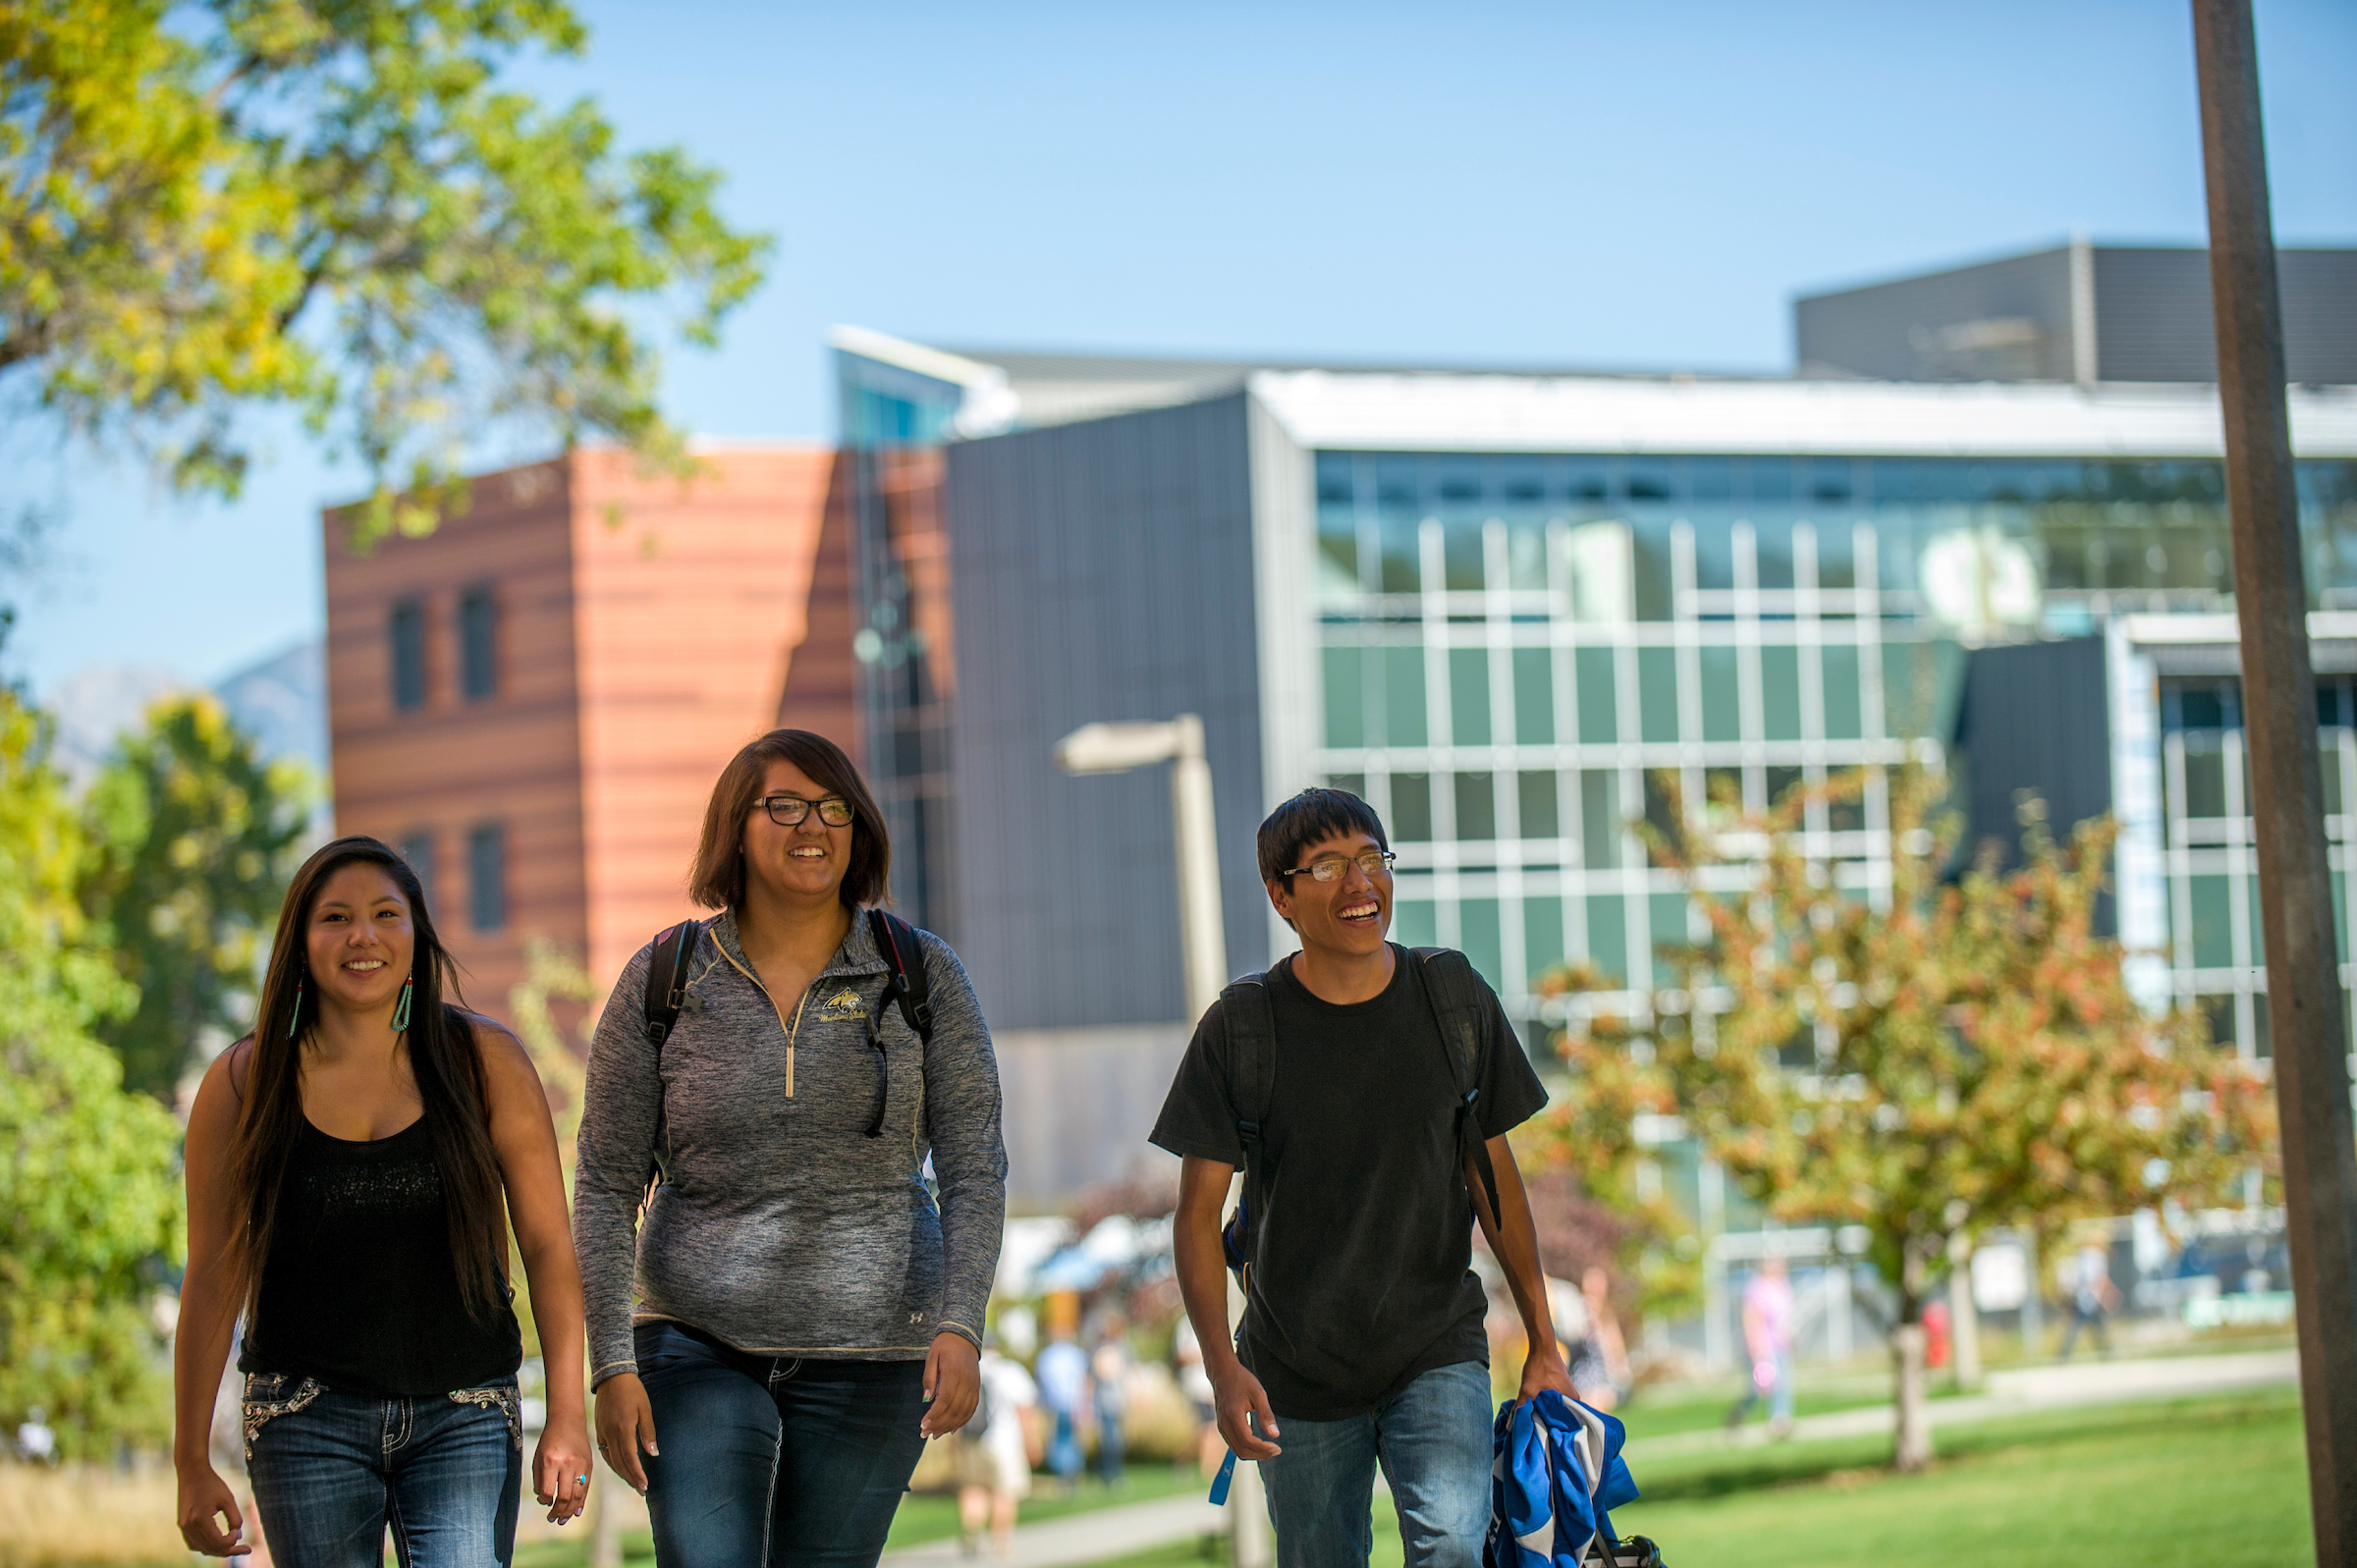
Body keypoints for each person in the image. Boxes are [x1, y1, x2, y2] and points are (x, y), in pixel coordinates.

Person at [572, 729, 1007, 1567]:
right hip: (694, 1341)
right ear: (736, 825)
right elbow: (602, 1184)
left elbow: (974, 1163)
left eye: (835, 807)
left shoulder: (920, 974)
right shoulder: (666, 977)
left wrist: (962, 1321)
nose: (815, 825)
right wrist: (611, 1361)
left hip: (876, 1348)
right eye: (786, 806)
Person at [1153, 787, 1562, 1568]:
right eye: (1329, 866)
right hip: (1294, 1367)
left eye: (1373, 858)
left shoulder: (1452, 996)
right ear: (1281, 894)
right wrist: (1221, 1366)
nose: (1360, 884)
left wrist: (1544, 1337)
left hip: (1434, 1343)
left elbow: (1494, 1177)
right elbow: (1196, 1216)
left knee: (1450, 1545)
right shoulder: (1243, 1028)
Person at [173, 836, 594, 1563]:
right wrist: (188, 1459)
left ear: (416, 935)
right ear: (300, 943)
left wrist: (566, 1414)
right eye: (335, 917)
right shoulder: (242, 1083)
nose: (361, 935)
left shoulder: (483, 1063)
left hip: (463, 1412)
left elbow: (550, 1247)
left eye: (384, 914)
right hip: (303, 1419)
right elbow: (212, 1273)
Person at [956, 1342, 1039, 1560]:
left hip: (973, 1441)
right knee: (1003, 1492)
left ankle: (972, 1531)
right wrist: (1031, 1442)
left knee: (974, 1489)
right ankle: (1000, 1541)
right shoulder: (1011, 1371)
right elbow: (1025, 1411)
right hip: (1004, 1443)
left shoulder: (969, 1369)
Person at [1725, 1256, 1795, 1437]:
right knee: (1759, 1389)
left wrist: (1790, 1338)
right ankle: (1738, 1413)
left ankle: (1780, 1423)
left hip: (1778, 1344)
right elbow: (1751, 1319)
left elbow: (1785, 1318)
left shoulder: (1782, 1286)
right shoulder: (1756, 1288)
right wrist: (1755, 1348)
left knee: (1782, 1384)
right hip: (1761, 1346)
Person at [1032, 1325, 1088, 1489]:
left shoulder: (1048, 1355)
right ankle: (1068, 1474)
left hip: (1062, 1403)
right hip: (1068, 1403)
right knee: (1066, 1440)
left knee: (1063, 1440)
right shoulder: (1071, 1354)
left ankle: (1067, 1474)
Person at [2057, 1239, 2118, 1360]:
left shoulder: (2089, 1257)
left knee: (2095, 1329)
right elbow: (2095, 1279)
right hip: (2087, 1300)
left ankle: (2106, 1353)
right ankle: (2106, 1353)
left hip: (2089, 1299)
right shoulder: (2093, 1258)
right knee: (2081, 1329)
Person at [1090, 1322, 1131, 1487]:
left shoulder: (1123, 1349)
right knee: (1110, 1440)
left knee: (1119, 1440)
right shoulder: (1100, 1351)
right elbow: (1099, 1373)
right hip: (1105, 1402)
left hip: (1119, 1400)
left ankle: (1116, 1472)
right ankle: (1108, 1474)